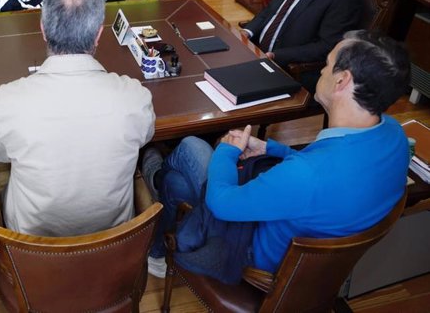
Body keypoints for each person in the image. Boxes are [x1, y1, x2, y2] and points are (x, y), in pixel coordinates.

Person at [142, 30, 410, 281]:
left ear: (342, 80)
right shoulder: (393, 135)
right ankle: (158, 186)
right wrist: (272, 149)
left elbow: (222, 204)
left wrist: (227, 150)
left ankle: (152, 178)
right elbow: (321, 165)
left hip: (258, 259)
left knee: (191, 146)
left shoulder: (307, 175)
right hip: (317, 263)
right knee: (176, 182)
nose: (322, 70)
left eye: (327, 64)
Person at [0, 0, 155, 236]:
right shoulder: (135, 96)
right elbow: (145, 137)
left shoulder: (6, 100)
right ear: (98, 35)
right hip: (114, 240)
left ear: (43, 30)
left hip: (34, 246)